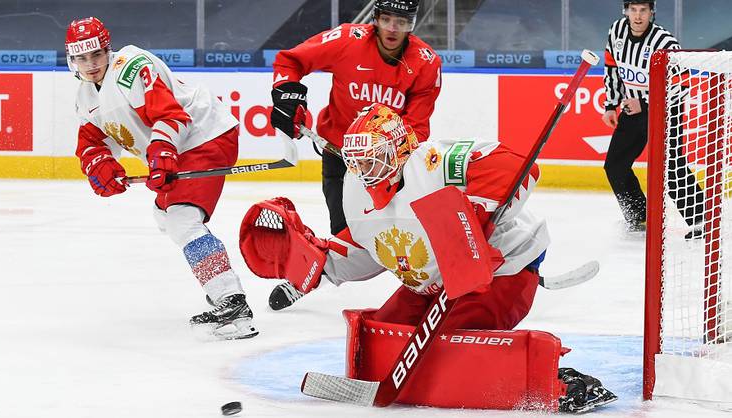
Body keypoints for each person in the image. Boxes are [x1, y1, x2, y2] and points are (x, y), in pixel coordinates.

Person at [241, 103, 616, 412]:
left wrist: (472, 220)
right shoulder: (356, 186)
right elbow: (369, 246)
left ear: (402, 150)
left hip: (502, 269)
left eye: (374, 158)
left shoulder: (436, 163)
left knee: (454, 342)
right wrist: (320, 263)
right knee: (381, 336)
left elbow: (515, 166)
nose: (364, 170)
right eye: (358, 161)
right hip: (432, 276)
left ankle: (563, 382)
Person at [66, 17, 257, 339]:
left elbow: (171, 115)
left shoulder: (131, 67)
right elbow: (92, 142)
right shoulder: (85, 96)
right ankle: (220, 287)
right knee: (166, 218)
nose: (91, 64)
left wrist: (162, 152)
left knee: (183, 219)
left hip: (204, 135)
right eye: (82, 58)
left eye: (96, 55)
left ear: (107, 50)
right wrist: (100, 165)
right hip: (180, 147)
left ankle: (232, 302)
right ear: (72, 59)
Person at [268, 0, 442, 309]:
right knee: (346, 233)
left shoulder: (426, 63)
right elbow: (289, 61)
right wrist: (287, 95)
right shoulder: (347, 40)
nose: (392, 28)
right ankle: (310, 274)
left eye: (401, 22)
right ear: (375, 19)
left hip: (387, 166)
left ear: (412, 25)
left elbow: (417, 127)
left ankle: (434, 282)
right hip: (338, 153)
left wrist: (392, 157)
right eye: (386, 19)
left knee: (405, 229)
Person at [602, 0, 704, 234]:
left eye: (643, 10)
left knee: (672, 166)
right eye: (633, 10)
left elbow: (681, 85)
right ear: (626, 11)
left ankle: (700, 220)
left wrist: (646, 104)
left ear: (651, 12)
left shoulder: (665, 42)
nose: (637, 16)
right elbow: (612, 68)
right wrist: (610, 105)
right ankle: (639, 216)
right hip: (631, 109)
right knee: (615, 166)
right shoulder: (616, 31)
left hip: (665, 111)